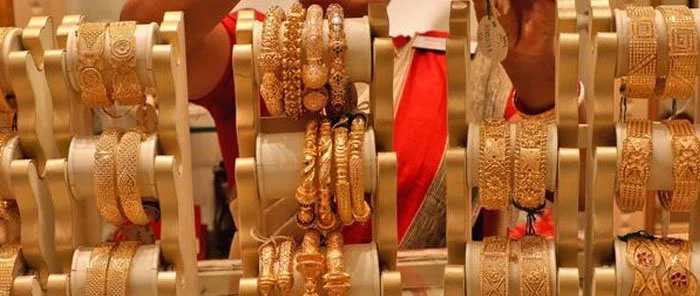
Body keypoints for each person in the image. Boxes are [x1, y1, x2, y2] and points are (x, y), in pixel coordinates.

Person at [120, 0, 557, 247]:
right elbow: (140, 44)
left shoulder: (459, 69)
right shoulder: (261, 55)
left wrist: (532, 60)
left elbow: (556, 178)